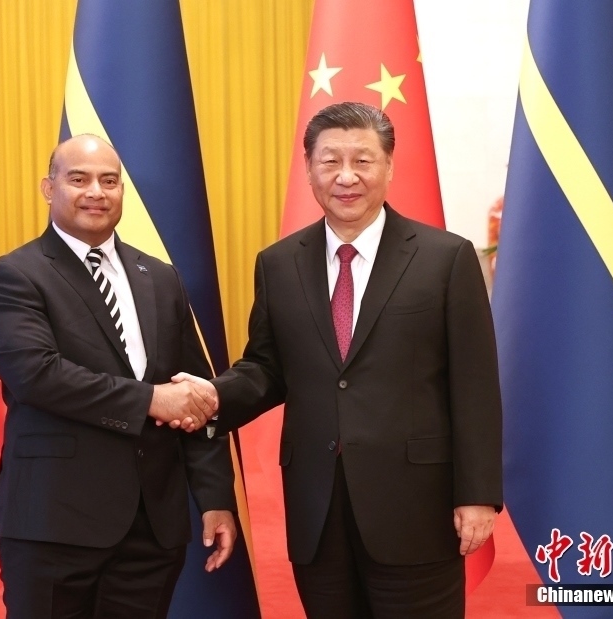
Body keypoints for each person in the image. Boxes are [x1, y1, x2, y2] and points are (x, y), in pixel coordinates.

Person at [176, 102, 502, 618]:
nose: (346, 176)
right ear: (309, 169)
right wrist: (212, 395)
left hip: (417, 507)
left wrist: (478, 494)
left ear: (389, 167)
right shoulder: (278, 264)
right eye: (330, 161)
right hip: (317, 507)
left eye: (363, 161)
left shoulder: (446, 258)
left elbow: (475, 385)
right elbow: (267, 368)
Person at [0, 134, 237, 618]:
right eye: (79, 179)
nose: (96, 192)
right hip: (53, 525)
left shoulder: (161, 277)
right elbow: (38, 375)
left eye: (109, 181)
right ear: (49, 188)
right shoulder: (15, 276)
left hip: (151, 531)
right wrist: (150, 400)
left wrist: (215, 498)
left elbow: (195, 394)